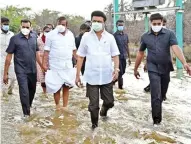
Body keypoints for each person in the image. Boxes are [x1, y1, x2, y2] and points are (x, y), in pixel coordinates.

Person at [134, 13, 191, 125]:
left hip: (166, 67)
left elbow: (175, 48)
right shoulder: (145, 36)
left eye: (158, 24)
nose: (156, 25)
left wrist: (184, 63)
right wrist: (135, 69)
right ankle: (157, 122)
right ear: (150, 23)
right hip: (152, 67)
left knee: (162, 94)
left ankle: (157, 106)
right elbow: (140, 53)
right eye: (154, 24)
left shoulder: (169, 34)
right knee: (155, 93)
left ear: (162, 23)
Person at [75, 10, 120, 129]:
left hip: (106, 76)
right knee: (93, 106)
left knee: (110, 102)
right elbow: (80, 56)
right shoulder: (86, 37)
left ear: (104, 23)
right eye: (94, 21)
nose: (96, 23)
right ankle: (94, 127)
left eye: (99, 21)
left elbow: (115, 55)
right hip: (92, 77)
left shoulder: (110, 37)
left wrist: (116, 69)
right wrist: (77, 75)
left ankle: (104, 111)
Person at [3, 19, 43, 117]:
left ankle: (28, 107)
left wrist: (42, 66)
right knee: (24, 91)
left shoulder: (34, 37)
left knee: (32, 91)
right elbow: (9, 57)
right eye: (23, 27)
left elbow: (37, 53)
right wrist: (5, 73)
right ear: (20, 27)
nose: (25, 29)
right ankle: (26, 114)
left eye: (27, 27)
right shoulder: (14, 39)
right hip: (21, 70)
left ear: (31, 28)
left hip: (33, 69)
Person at [43, 16, 77, 110]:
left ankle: (65, 107)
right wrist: (44, 64)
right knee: (56, 87)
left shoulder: (70, 34)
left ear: (66, 26)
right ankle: (57, 105)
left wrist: (78, 61)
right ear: (56, 24)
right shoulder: (50, 35)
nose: (61, 26)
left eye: (63, 24)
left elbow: (74, 49)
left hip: (67, 65)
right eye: (59, 24)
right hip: (55, 65)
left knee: (66, 86)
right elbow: (46, 51)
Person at [143, 17, 173, 98]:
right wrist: (146, 63)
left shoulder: (169, 35)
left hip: (165, 64)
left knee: (166, 81)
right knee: (154, 81)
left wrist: (171, 62)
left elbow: (173, 50)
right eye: (155, 24)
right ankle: (155, 99)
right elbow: (149, 52)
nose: (160, 26)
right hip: (153, 64)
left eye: (163, 24)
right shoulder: (148, 36)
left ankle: (162, 95)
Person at [113, 20, 131, 89]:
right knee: (120, 73)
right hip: (117, 57)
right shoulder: (114, 36)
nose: (121, 26)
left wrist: (129, 58)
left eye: (122, 25)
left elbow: (127, 46)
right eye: (119, 25)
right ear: (116, 26)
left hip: (124, 56)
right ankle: (121, 89)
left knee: (123, 72)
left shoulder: (125, 35)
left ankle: (113, 81)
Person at [1, 17, 16, 96]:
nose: (6, 26)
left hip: (11, 59)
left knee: (13, 77)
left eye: (7, 24)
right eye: (4, 24)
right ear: (1, 24)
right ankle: (4, 95)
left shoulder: (12, 34)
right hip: (1, 59)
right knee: (3, 79)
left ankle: (10, 91)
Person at [37, 26, 51, 94]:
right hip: (40, 60)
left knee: (49, 77)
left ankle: (49, 91)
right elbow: (36, 50)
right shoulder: (38, 39)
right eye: (46, 31)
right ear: (43, 31)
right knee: (42, 78)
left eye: (49, 31)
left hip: (50, 61)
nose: (47, 32)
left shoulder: (52, 40)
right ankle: (44, 93)